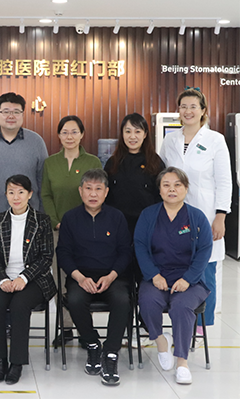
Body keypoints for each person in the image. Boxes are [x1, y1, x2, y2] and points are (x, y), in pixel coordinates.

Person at [159, 88, 232, 333]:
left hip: (206, 214)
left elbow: (224, 181)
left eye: (193, 106)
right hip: (174, 215)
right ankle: (179, 322)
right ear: (178, 111)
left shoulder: (215, 140)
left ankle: (201, 329)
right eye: (183, 106)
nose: (188, 111)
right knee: (177, 266)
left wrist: (220, 216)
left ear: (203, 111)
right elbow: (163, 177)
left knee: (206, 269)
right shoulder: (170, 141)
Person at [135, 167, 212, 385]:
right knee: (147, 301)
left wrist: (188, 279)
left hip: (190, 279)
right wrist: (153, 275)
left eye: (177, 185)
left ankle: (182, 362)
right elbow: (140, 246)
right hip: (157, 275)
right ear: (159, 190)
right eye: (166, 185)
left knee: (181, 306)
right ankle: (161, 342)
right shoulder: (148, 215)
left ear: (186, 189)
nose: (172, 189)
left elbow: (205, 249)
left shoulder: (196, 217)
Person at [57, 169, 132, 386]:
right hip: (81, 275)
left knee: (122, 300)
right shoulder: (70, 218)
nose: (93, 194)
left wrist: (111, 276)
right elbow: (63, 253)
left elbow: (125, 251)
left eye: (98, 189)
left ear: (106, 192)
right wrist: (80, 278)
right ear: (80, 191)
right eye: (88, 188)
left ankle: (110, 353)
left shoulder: (117, 217)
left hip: (112, 276)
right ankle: (92, 344)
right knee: (74, 300)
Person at [0, 175, 56, 384]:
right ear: (5, 195)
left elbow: (46, 258)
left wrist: (24, 278)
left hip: (34, 280)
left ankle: (16, 363)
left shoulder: (42, 221)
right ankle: (0, 361)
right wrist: (2, 279)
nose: (16, 197)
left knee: (19, 304)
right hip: (3, 278)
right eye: (11, 192)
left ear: (30, 194)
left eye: (21, 192)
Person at [104, 113, 165, 347]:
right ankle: (124, 330)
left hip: (147, 233)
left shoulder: (155, 163)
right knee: (123, 282)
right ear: (122, 134)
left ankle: (147, 325)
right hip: (119, 234)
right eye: (128, 131)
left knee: (145, 280)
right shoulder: (113, 163)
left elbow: (161, 200)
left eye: (137, 131)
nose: (132, 136)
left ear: (145, 134)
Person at [41, 115, 102, 346]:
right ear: (58, 135)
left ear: (82, 134)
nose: (69, 136)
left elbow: (97, 194)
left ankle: (86, 330)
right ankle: (65, 328)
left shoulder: (93, 161)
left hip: (87, 231)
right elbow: (45, 195)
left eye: (74, 132)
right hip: (58, 230)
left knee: (86, 279)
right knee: (61, 280)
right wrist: (56, 221)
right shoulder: (50, 163)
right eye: (65, 132)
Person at [0, 93, 49, 218]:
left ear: (23, 115)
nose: (11, 116)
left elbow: (43, 182)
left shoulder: (36, 142)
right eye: (6, 111)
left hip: (28, 217)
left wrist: (42, 215)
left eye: (16, 112)